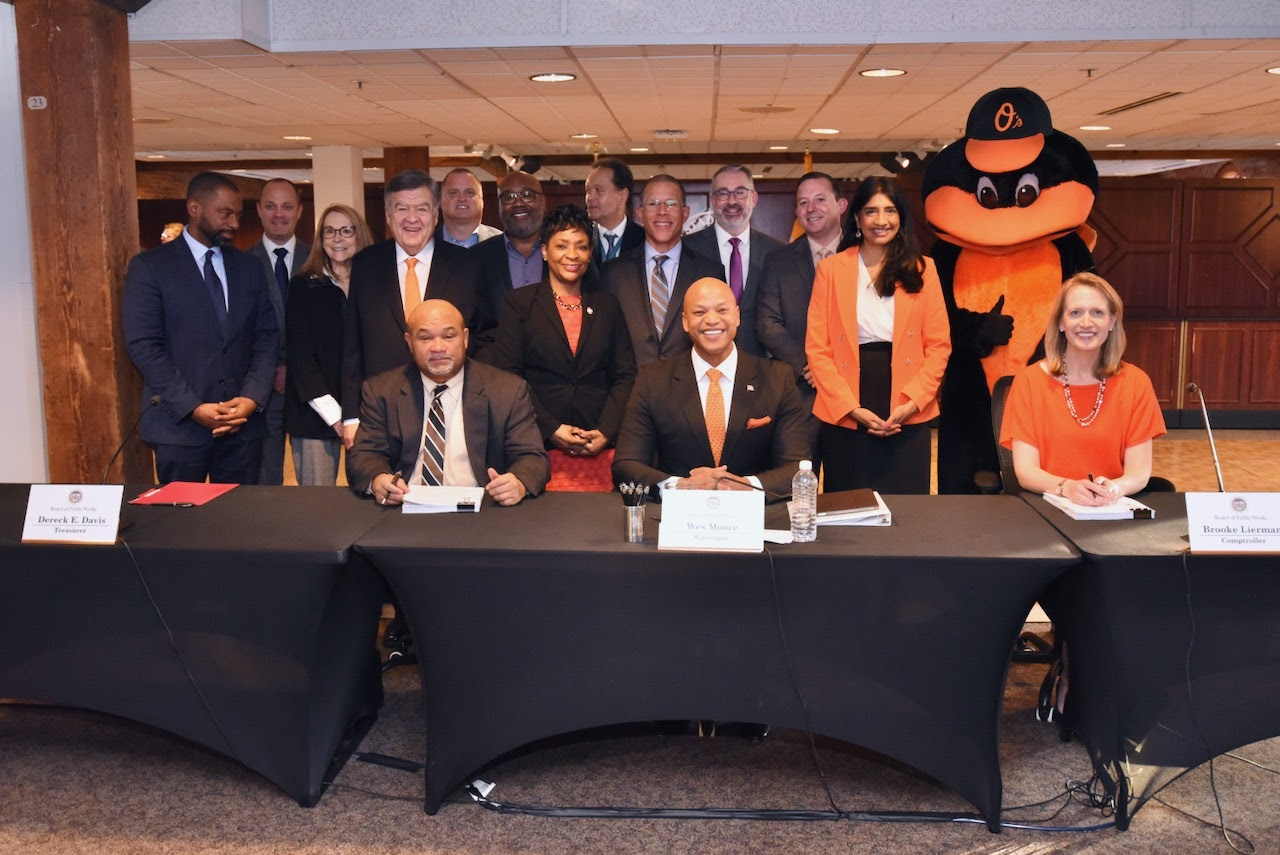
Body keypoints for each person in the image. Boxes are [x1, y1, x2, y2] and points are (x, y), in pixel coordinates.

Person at [123, 171, 278, 484]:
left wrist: (250, 399)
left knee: (239, 525)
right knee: (181, 526)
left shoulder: (249, 267)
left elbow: (266, 337)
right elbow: (144, 345)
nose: (234, 223)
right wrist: (192, 407)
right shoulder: (151, 267)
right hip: (178, 427)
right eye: (224, 213)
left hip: (241, 429)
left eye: (237, 214)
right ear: (194, 208)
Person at [806, 176, 951, 494]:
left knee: (908, 514)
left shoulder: (923, 269)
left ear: (901, 217)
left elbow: (939, 345)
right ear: (857, 218)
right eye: (871, 211)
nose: (881, 220)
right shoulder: (831, 270)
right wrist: (850, 408)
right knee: (848, 511)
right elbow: (817, 348)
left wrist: (913, 402)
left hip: (906, 405)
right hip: (846, 405)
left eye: (890, 211)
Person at [612, 277, 809, 501]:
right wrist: (680, 487)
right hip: (676, 521)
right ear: (685, 322)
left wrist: (744, 486)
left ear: (737, 315)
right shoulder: (653, 380)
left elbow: (797, 467)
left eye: (722, 310)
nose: (712, 320)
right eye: (699, 312)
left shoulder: (777, 378)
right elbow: (626, 465)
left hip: (755, 522)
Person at [484, 205, 636, 491]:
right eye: (561, 245)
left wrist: (605, 430)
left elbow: (625, 375)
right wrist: (551, 428)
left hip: (601, 448)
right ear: (544, 251)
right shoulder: (520, 304)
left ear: (590, 254)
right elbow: (508, 378)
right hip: (537, 448)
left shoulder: (607, 306)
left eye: (581, 246)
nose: (572, 255)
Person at [347, 299, 549, 506]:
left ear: (465, 338)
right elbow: (364, 455)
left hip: (481, 512)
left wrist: (518, 483)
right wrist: (378, 479)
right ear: (409, 343)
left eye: (449, 336)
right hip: (405, 507)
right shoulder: (381, 391)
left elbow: (532, 457)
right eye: (425, 338)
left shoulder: (507, 391)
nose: (438, 347)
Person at [341, 169, 483, 444]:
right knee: (382, 486)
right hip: (379, 411)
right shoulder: (365, 264)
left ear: (435, 214)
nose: (412, 218)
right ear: (388, 215)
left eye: (421, 208)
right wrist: (351, 417)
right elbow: (352, 345)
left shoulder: (467, 265)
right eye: (402, 208)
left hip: (451, 407)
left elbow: (482, 334)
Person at [1001, 272, 1166, 503]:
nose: (1086, 322)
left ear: (1112, 321)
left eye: (1097, 313)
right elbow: (1026, 472)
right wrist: (1067, 488)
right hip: (1049, 509)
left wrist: (1112, 489)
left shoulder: (1137, 383)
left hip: (1111, 510)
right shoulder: (1028, 382)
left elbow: (1138, 473)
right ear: (1060, 322)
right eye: (1075, 313)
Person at [756, 171, 848, 455]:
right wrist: (813, 367)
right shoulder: (778, 260)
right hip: (801, 393)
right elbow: (767, 323)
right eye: (803, 202)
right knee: (801, 485)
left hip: (854, 393)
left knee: (851, 490)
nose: (811, 208)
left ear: (841, 205)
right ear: (796, 211)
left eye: (820, 199)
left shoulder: (864, 256)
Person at [284, 204, 372, 485]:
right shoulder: (303, 285)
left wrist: (355, 414)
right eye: (329, 231)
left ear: (359, 235)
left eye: (347, 230)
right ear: (320, 239)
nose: (338, 238)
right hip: (314, 413)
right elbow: (300, 357)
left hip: (367, 412)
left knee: (368, 498)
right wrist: (337, 417)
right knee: (317, 505)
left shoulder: (376, 282)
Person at [601, 174, 723, 366]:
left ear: (685, 213)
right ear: (640, 213)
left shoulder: (710, 272)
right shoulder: (613, 273)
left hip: (690, 391)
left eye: (671, 203)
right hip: (630, 392)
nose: (662, 211)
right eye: (653, 203)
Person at [682, 164, 783, 357]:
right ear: (713, 200)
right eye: (723, 193)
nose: (732, 201)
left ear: (754, 198)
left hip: (762, 366)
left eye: (740, 192)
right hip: (702, 364)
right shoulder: (687, 249)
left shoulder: (777, 252)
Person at [250, 178, 311, 485]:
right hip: (261, 393)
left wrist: (297, 369)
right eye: (270, 206)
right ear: (259, 211)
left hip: (310, 391)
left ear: (299, 211)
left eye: (286, 206)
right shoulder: (241, 264)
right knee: (265, 480)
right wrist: (271, 369)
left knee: (316, 484)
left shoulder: (318, 261)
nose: (278, 214)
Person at [471, 171, 548, 347]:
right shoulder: (476, 258)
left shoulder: (565, 254)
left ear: (543, 201)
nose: (518, 203)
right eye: (509, 197)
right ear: (499, 205)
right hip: (496, 367)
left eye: (527, 195)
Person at [586, 158, 644, 264]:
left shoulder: (645, 240)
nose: (590, 197)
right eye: (588, 190)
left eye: (598, 190)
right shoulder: (582, 238)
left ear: (622, 195)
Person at [438, 168, 501, 247]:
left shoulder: (503, 244)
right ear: (441, 201)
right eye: (453, 193)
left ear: (482, 201)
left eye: (470, 193)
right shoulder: (425, 244)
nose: (462, 199)